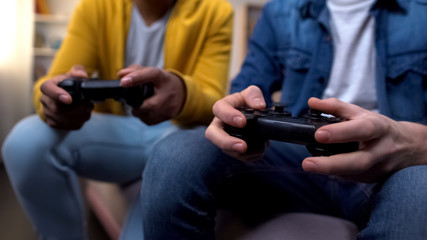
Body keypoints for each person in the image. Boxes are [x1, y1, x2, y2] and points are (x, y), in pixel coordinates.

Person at [138, 0, 427, 239]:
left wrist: (417, 141)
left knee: (419, 192)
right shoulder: (281, 10)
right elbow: (245, 91)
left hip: (394, 162)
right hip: (296, 155)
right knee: (174, 155)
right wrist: (232, 115)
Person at [1, 0, 232, 239]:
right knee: (24, 142)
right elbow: (50, 83)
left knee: (176, 158)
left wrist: (183, 93)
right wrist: (50, 100)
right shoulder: (96, 6)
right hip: (121, 133)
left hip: (179, 134)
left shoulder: (215, 10)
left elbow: (213, 101)